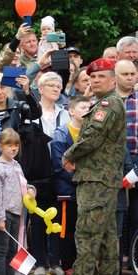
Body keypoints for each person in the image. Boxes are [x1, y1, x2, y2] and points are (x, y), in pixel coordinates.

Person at [62, 58, 126, 275]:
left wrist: (69, 154)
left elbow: (92, 135)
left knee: (87, 239)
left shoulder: (109, 104)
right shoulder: (101, 103)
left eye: (101, 76)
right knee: (106, 242)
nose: (96, 80)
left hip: (97, 181)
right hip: (100, 180)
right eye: (93, 77)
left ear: (112, 80)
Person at [31, 71, 70, 275]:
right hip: (37, 172)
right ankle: (39, 262)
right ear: (41, 89)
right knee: (37, 219)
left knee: (57, 219)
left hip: (59, 172)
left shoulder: (65, 113)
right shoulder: (31, 112)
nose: (57, 88)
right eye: (52, 85)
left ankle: (55, 262)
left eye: (59, 86)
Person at [0, 128, 36, 275]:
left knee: (13, 249)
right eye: (9, 145)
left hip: (17, 213)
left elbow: (22, 184)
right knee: (1, 251)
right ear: (0, 146)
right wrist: (0, 218)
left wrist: (31, 189)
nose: (14, 148)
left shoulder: (17, 165)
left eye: (16, 145)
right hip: (5, 214)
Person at [50, 95, 90, 273]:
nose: (87, 111)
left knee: (85, 230)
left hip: (88, 191)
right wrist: (84, 174)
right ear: (71, 111)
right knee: (67, 229)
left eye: (89, 108)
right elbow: (61, 166)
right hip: (69, 191)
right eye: (83, 108)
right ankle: (67, 265)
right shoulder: (61, 133)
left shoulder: (91, 133)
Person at [114, 59, 138, 262]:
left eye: (133, 73)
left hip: (137, 161)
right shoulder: (108, 100)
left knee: (137, 214)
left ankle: (133, 258)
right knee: (117, 214)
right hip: (113, 162)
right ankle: (116, 259)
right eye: (125, 74)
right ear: (115, 76)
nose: (130, 77)